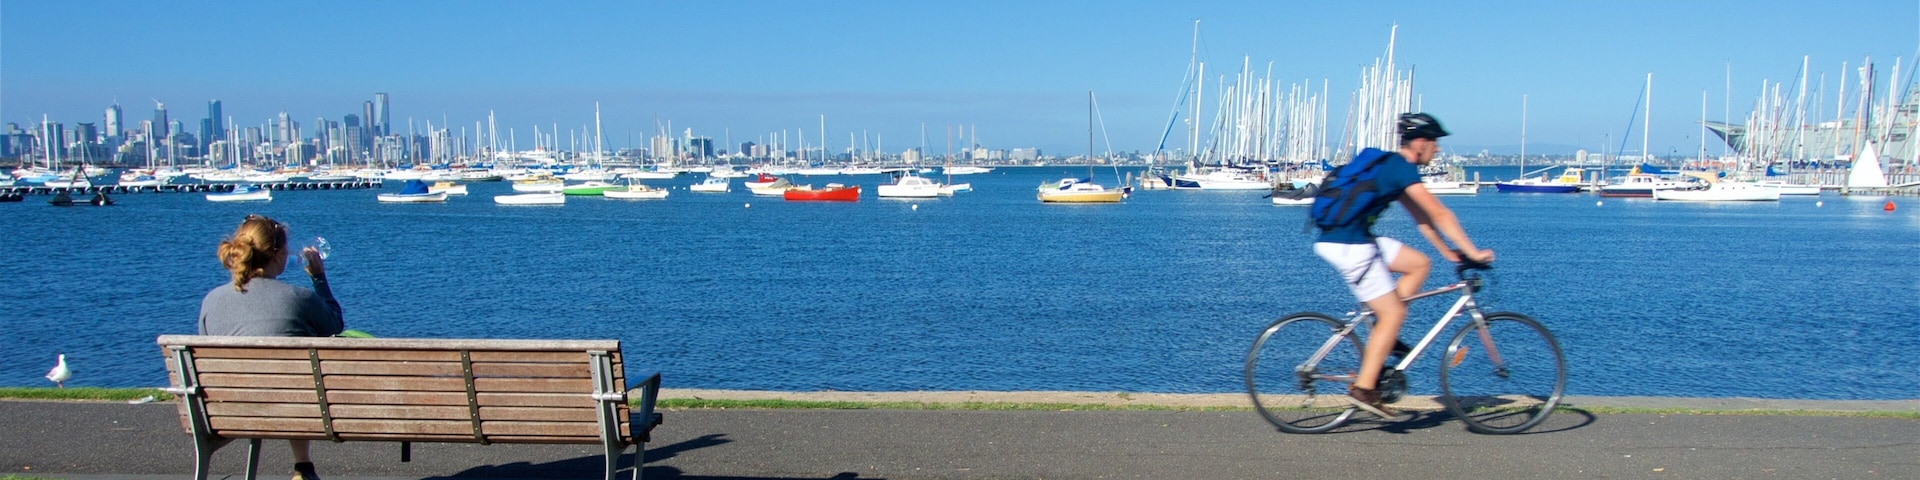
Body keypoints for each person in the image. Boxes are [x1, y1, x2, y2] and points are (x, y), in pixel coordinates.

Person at [1314, 113, 1493, 418]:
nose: (1437, 150)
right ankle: (1364, 388)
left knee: (1419, 264)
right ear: (1420, 143)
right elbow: (1440, 214)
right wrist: (1473, 252)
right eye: (1435, 143)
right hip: (1349, 245)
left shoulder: (1393, 167)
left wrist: (1447, 252)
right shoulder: (1400, 168)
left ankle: (1387, 334)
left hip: (1352, 238)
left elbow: (1421, 218)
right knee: (1394, 312)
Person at [198, 214, 342, 480]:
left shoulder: (212, 301)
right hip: (293, 407)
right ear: (277, 255)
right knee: (295, 383)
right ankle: (302, 467)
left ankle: (304, 468)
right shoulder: (297, 298)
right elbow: (334, 324)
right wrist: (319, 278)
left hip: (228, 410)